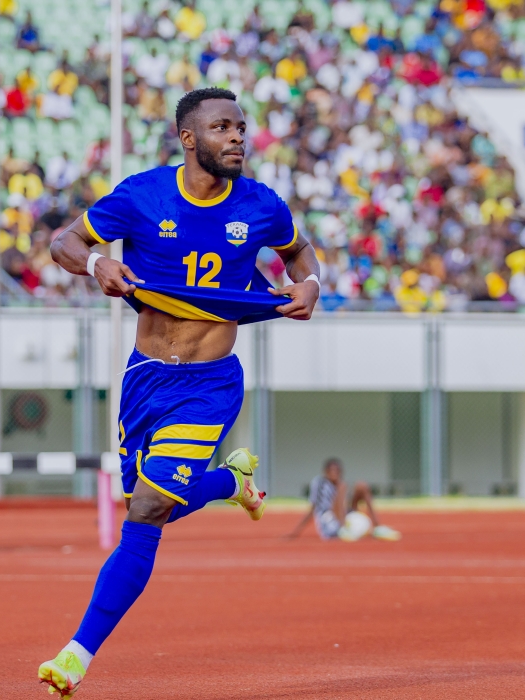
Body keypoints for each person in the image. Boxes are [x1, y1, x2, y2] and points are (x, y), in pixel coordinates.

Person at [38, 87, 321, 696]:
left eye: (241, 128)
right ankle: (232, 482)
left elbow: (299, 254)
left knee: (144, 514)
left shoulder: (262, 205)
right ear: (189, 138)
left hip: (209, 383)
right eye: (223, 128)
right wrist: (95, 266)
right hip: (144, 378)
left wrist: (312, 284)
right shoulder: (142, 195)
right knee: (149, 498)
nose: (238, 138)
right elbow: (65, 242)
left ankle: (76, 654)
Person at [288, 458, 401, 542]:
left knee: (361, 486)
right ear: (325, 472)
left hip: (344, 516)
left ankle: (377, 527)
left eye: (337, 471)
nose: (334, 474)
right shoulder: (320, 483)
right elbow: (313, 509)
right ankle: (344, 529)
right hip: (330, 524)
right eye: (331, 471)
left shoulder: (339, 485)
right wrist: (295, 532)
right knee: (343, 487)